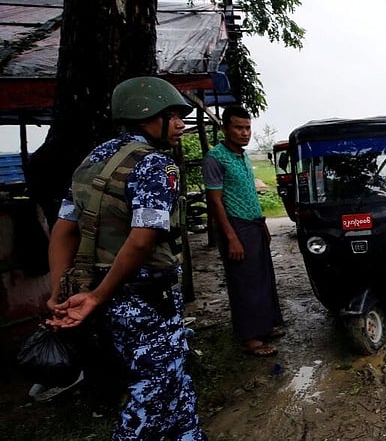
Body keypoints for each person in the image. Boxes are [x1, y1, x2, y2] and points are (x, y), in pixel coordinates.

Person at [46, 76, 206, 439]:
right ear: (146, 115)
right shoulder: (154, 165)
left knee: (174, 377)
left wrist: (61, 292)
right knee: (152, 390)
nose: (180, 124)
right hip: (143, 296)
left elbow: (63, 230)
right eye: (173, 115)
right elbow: (141, 240)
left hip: (107, 295)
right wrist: (98, 296)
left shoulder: (92, 160)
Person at [202, 106, 284, 357]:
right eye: (238, 127)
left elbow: (248, 192)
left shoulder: (243, 156)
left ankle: (264, 326)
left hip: (254, 225)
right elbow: (215, 201)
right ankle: (249, 338)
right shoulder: (216, 158)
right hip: (235, 227)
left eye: (247, 127)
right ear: (224, 129)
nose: (244, 132)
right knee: (243, 283)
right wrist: (230, 237)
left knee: (261, 278)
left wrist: (263, 225)